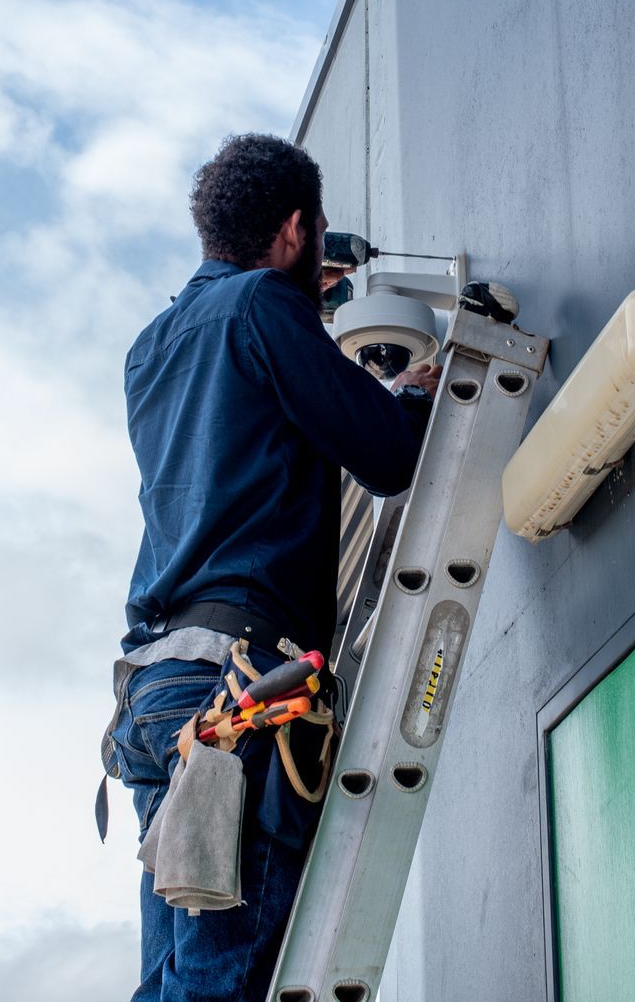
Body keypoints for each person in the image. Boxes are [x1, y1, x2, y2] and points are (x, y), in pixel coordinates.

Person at [102, 133, 440, 1001]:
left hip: (152, 696)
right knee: (221, 984)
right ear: (296, 230)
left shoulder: (153, 344)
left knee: (175, 982)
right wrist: (413, 387)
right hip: (236, 692)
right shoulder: (261, 307)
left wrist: (303, 319)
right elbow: (387, 456)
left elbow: (242, 431)